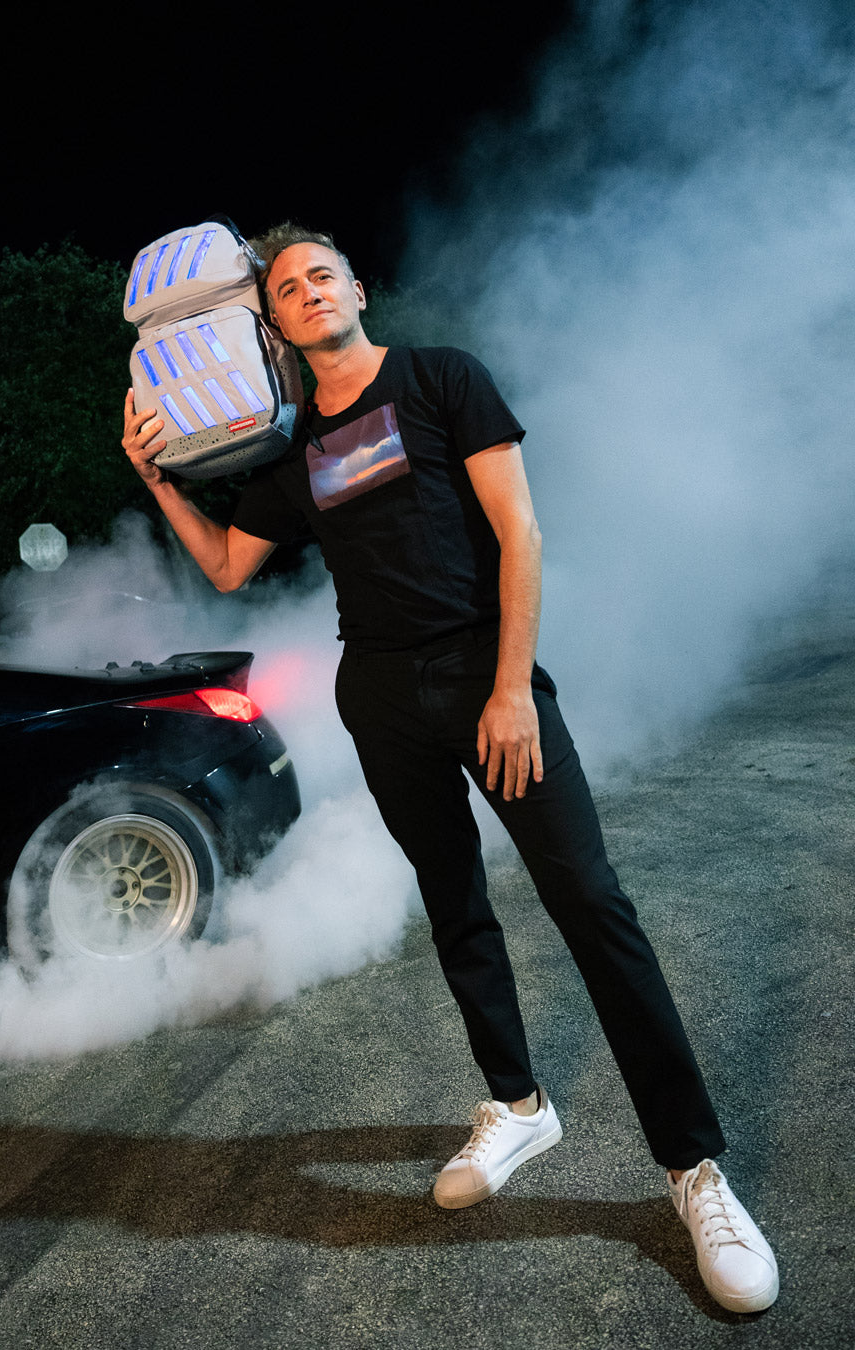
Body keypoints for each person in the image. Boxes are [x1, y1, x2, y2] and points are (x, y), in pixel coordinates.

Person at [122, 223, 779, 1314]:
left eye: (322, 275)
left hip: (488, 676)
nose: (309, 292)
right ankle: (517, 1105)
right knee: (454, 902)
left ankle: (694, 1170)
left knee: (592, 905)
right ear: (272, 324)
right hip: (382, 698)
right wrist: (155, 476)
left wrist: (512, 689)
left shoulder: (439, 381)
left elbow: (521, 534)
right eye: (286, 289)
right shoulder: (295, 450)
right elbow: (230, 567)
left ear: (356, 290)